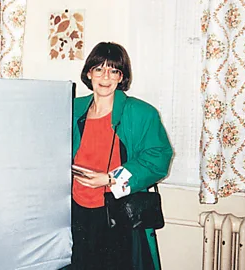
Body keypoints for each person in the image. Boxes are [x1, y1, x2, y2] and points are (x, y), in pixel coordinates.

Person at [70, 42, 173, 270]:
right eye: (99, 69)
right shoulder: (72, 108)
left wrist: (109, 178)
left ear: (121, 76)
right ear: (89, 73)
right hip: (75, 212)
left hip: (116, 215)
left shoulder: (141, 113)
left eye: (114, 70)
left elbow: (159, 157)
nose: (105, 76)